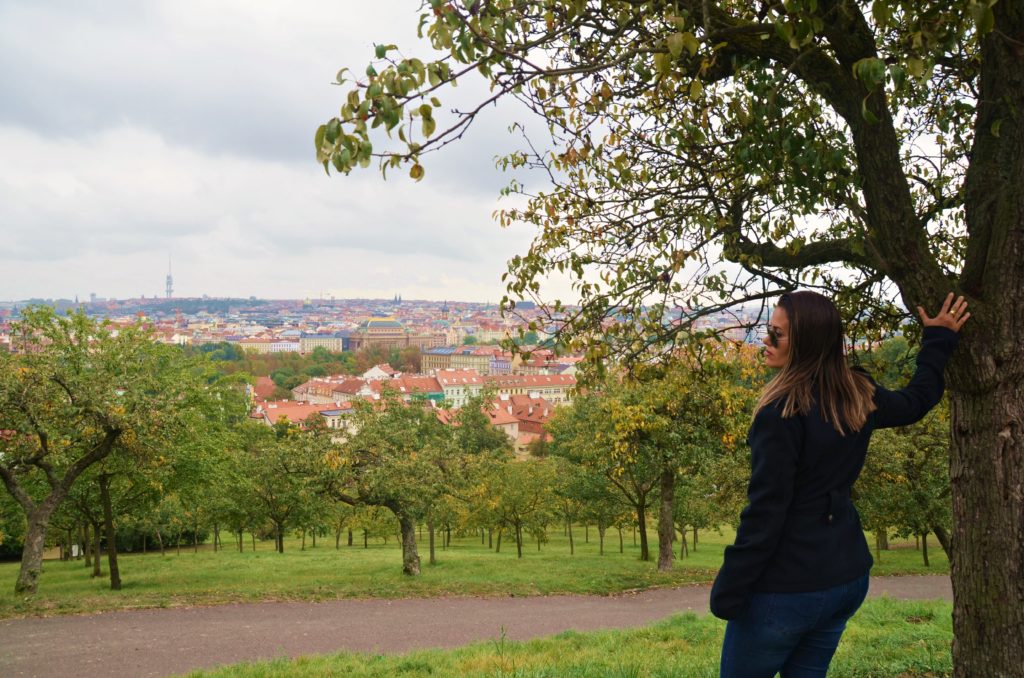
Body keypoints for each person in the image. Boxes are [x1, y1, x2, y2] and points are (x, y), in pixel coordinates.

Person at [710, 291, 969, 677]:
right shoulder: (857, 396)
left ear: (806, 343)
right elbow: (917, 401)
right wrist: (938, 339)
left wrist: (729, 590)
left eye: (776, 334)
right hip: (844, 579)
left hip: (787, 587)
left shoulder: (780, 413)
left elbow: (767, 510)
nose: (765, 340)